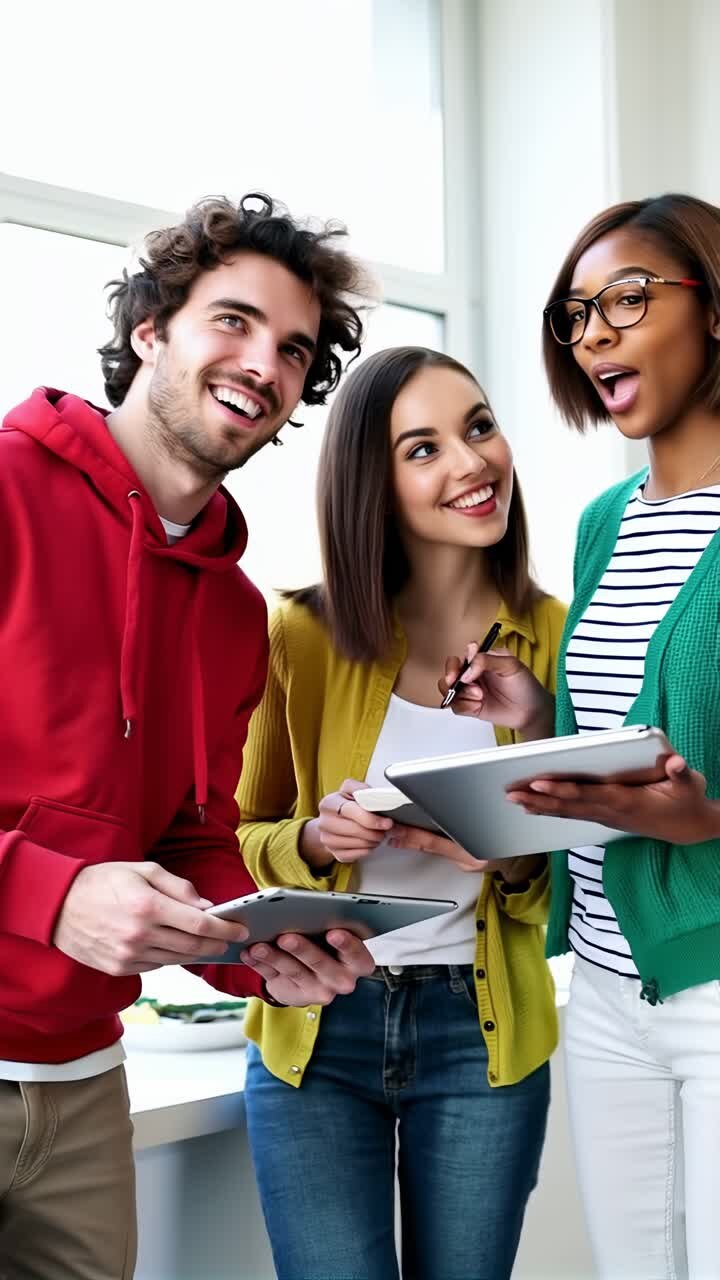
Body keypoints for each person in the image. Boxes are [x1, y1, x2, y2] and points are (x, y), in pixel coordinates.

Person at [0, 192, 377, 1279]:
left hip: (80, 1089)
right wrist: (53, 893)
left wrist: (259, 944)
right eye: (234, 320)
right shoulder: (10, 492)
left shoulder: (231, 609)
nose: (264, 361)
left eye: (295, 348)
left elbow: (188, 835)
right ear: (150, 329)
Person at [235, 345, 566, 1280]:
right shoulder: (298, 634)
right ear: (373, 489)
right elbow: (236, 833)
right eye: (422, 449)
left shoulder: (557, 633)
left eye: (478, 427)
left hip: (483, 1032)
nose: (471, 463)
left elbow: (571, 883)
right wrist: (309, 838)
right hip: (318, 1032)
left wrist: (493, 850)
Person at [450, 193, 720, 1279]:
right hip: (605, 981)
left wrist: (705, 817)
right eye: (575, 314)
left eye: (626, 298)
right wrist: (535, 717)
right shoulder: (606, 519)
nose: (595, 331)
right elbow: (623, 738)